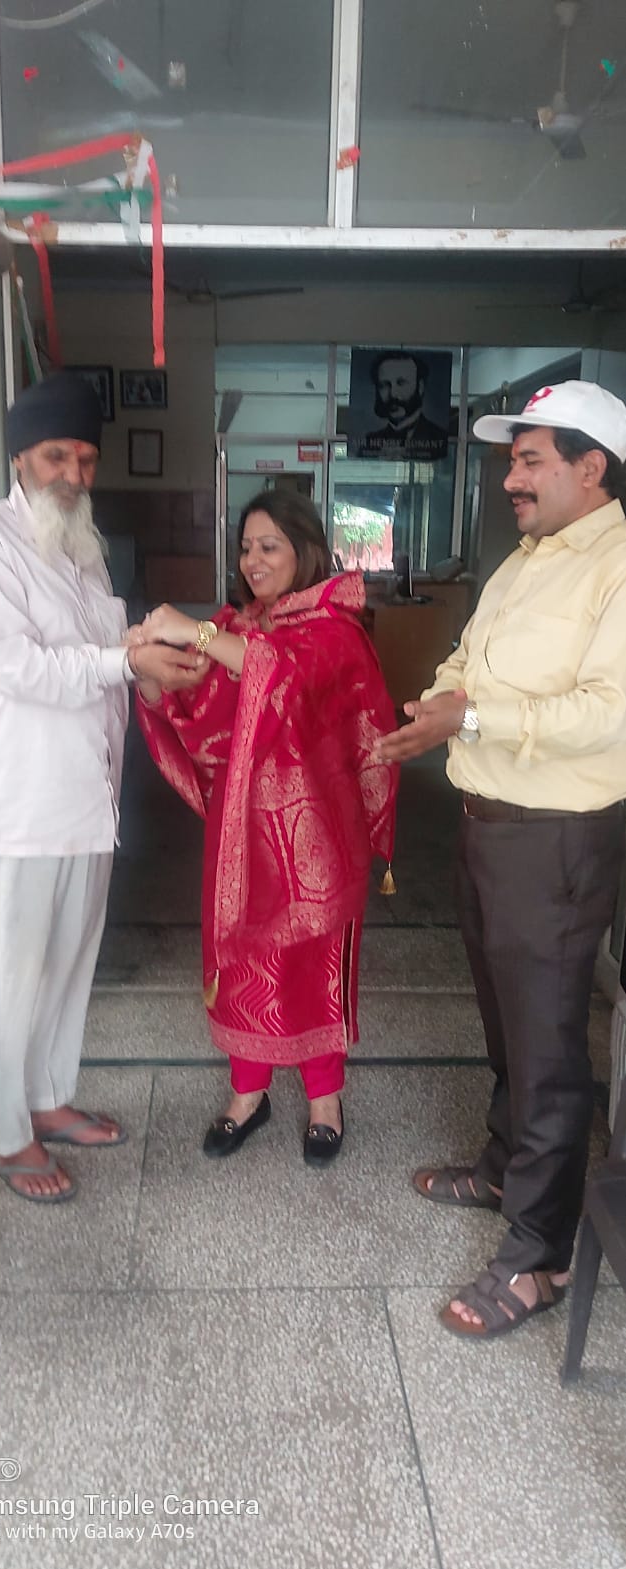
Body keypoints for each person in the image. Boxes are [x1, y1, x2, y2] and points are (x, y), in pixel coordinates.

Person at [375, 379, 626, 1339]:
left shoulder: (615, 569)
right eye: (511, 461)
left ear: (589, 468)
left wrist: (471, 716)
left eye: (529, 460)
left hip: (554, 841)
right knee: (505, 1025)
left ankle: (537, 1256)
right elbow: (464, 662)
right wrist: (434, 708)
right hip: (487, 825)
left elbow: (605, 712)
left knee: (548, 1048)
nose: (509, 478)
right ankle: (499, 1169)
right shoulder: (523, 563)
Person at [0, 372, 207, 1203]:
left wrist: (150, 661)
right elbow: (17, 666)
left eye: (86, 459)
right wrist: (124, 662)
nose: (73, 474)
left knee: (66, 960)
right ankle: (7, 1133)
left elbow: (105, 652)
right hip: (18, 798)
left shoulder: (83, 547)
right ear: (21, 458)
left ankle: (49, 1098)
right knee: (11, 971)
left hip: (86, 796)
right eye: (57, 456)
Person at [127, 490, 399, 1163]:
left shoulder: (335, 630)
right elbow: (203, 716)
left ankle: (325, 1099)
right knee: (244, 962)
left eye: (269, 546)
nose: (253, 560)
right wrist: (151, 671)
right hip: (242, 836)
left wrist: (193, 630)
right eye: (247, 547)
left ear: (305, 551)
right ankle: (247, 1093)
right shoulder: (238, 627)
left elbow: (283, 675)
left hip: (318, 841)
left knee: (313, 965)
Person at [363, 350, 448, 460]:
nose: (393, 394)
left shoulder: (440, 438)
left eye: (401, 383)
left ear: (420, 387)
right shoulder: (368, 442)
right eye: (384, 385)